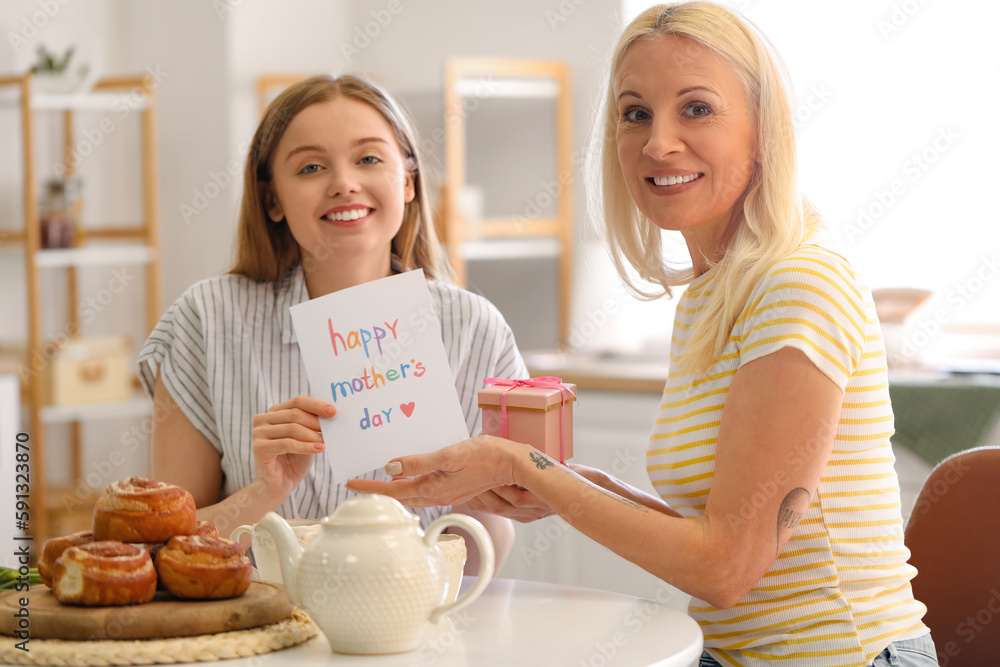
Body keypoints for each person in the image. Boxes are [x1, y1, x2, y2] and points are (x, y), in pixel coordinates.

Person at [347, 4, 937, 666]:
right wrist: (558, 481)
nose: (658, 143)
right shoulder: (716, 290)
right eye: (636, 114)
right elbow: (710, 531)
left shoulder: (796, 283)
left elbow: (725, 567)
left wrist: (524, 464)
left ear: (763, 129)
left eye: (697, 109)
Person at [137, 74, 527, 572]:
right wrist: (265, 493)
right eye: (311, 166)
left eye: (368, 159)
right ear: (272, 199)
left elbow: (487, 550)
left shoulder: (475, 329)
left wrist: (474, 487)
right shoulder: (207, 321)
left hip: (417, 636)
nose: (343, 183)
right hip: (255, 634)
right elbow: (165, 548)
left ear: (407, 182)